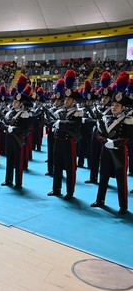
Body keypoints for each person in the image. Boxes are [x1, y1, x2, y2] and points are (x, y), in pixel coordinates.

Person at [91, 71, 133, 214]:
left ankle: (123, 205)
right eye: (113, 104)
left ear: (123, 108)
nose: (114, 107)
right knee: (103, 176)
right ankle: (100, 200)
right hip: (106, 150)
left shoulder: (128, 120)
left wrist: (114, 143)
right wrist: (105, 141)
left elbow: (128, 137)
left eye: (117, 105)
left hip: (119, 152)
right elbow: (99, 134)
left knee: (121, 179)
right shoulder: (106, 117)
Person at [47, 70, 83, 200]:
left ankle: (70, 191)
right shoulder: (60, 111)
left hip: (69, 142)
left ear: (74, 100)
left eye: (69, 99)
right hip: (58, 141)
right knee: (57, 166)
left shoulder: (77, 112)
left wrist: (59, 123)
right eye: (65, 98)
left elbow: (74, 125)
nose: (66, 100)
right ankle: (56, 189)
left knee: (70, 168)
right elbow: (53, 122)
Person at [1, 92, 33, 189]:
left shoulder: (24, 114)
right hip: (9, 138)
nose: (14, 103)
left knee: (18, 161)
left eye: (16, 102)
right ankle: (8, 179)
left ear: (21, 103)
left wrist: (13, 129)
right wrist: (7, 127)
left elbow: (25, 130)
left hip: (17, 139)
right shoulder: (11, 112)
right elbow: (3, 124)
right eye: (14, 101)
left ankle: (18, 182)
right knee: (9, 159)